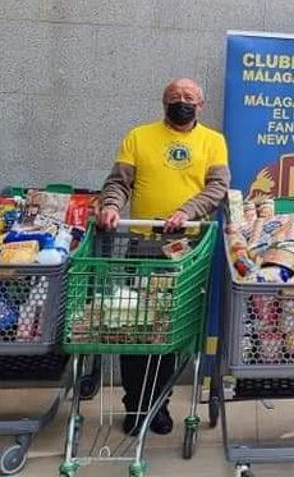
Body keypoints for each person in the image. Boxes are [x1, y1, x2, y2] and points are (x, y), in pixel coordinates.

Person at [98, 78, 230, 435]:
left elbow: (217, 188)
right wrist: (111, 206)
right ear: (163, 103)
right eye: (175, 98)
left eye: (189, 98)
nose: (181, 102)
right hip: (142, 245)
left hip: (185, 249)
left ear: (200, 105)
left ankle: (160, 403)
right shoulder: (139, 137)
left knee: (170, 330)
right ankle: (136, 404)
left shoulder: (213, 141)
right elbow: (118, 182)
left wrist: (187, 212)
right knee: (135, 327)